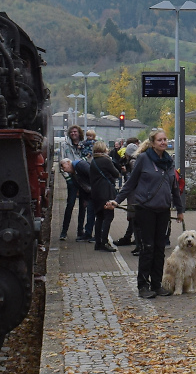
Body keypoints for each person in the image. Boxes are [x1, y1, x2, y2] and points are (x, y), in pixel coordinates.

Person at [106, 129, 186, 300]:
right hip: (145, 209)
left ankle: (156, 284)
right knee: (147, 248)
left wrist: (179, 210)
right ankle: (143, 285)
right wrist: (116, 200)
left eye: (165, 139)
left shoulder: (169, 161)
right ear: (152, 142)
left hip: (163, 210)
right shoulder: (143, 159)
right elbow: (130, 183)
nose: (163, 142)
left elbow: (174, 188)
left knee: (159, 249)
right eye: (160, 140)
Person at [84, 141, 121, 252]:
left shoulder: (93, 161)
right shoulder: (106, 160)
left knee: (99, 217)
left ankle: (98, 243)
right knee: (108, 217)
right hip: (106, 193)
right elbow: (116, 173)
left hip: (96, 193)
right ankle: (104, 242)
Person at [60, 124, 93, 242]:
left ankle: (80, 230)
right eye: (72, 132)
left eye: (76, 132)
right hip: (72, 179)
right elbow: (62, 163)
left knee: (83, 206)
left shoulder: (84, 145)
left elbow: (88, 159)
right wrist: (68, 179)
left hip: (82, 178)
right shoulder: (65, 145)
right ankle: (64, 231)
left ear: (79, 133)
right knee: (70, 205)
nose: (74, 134)